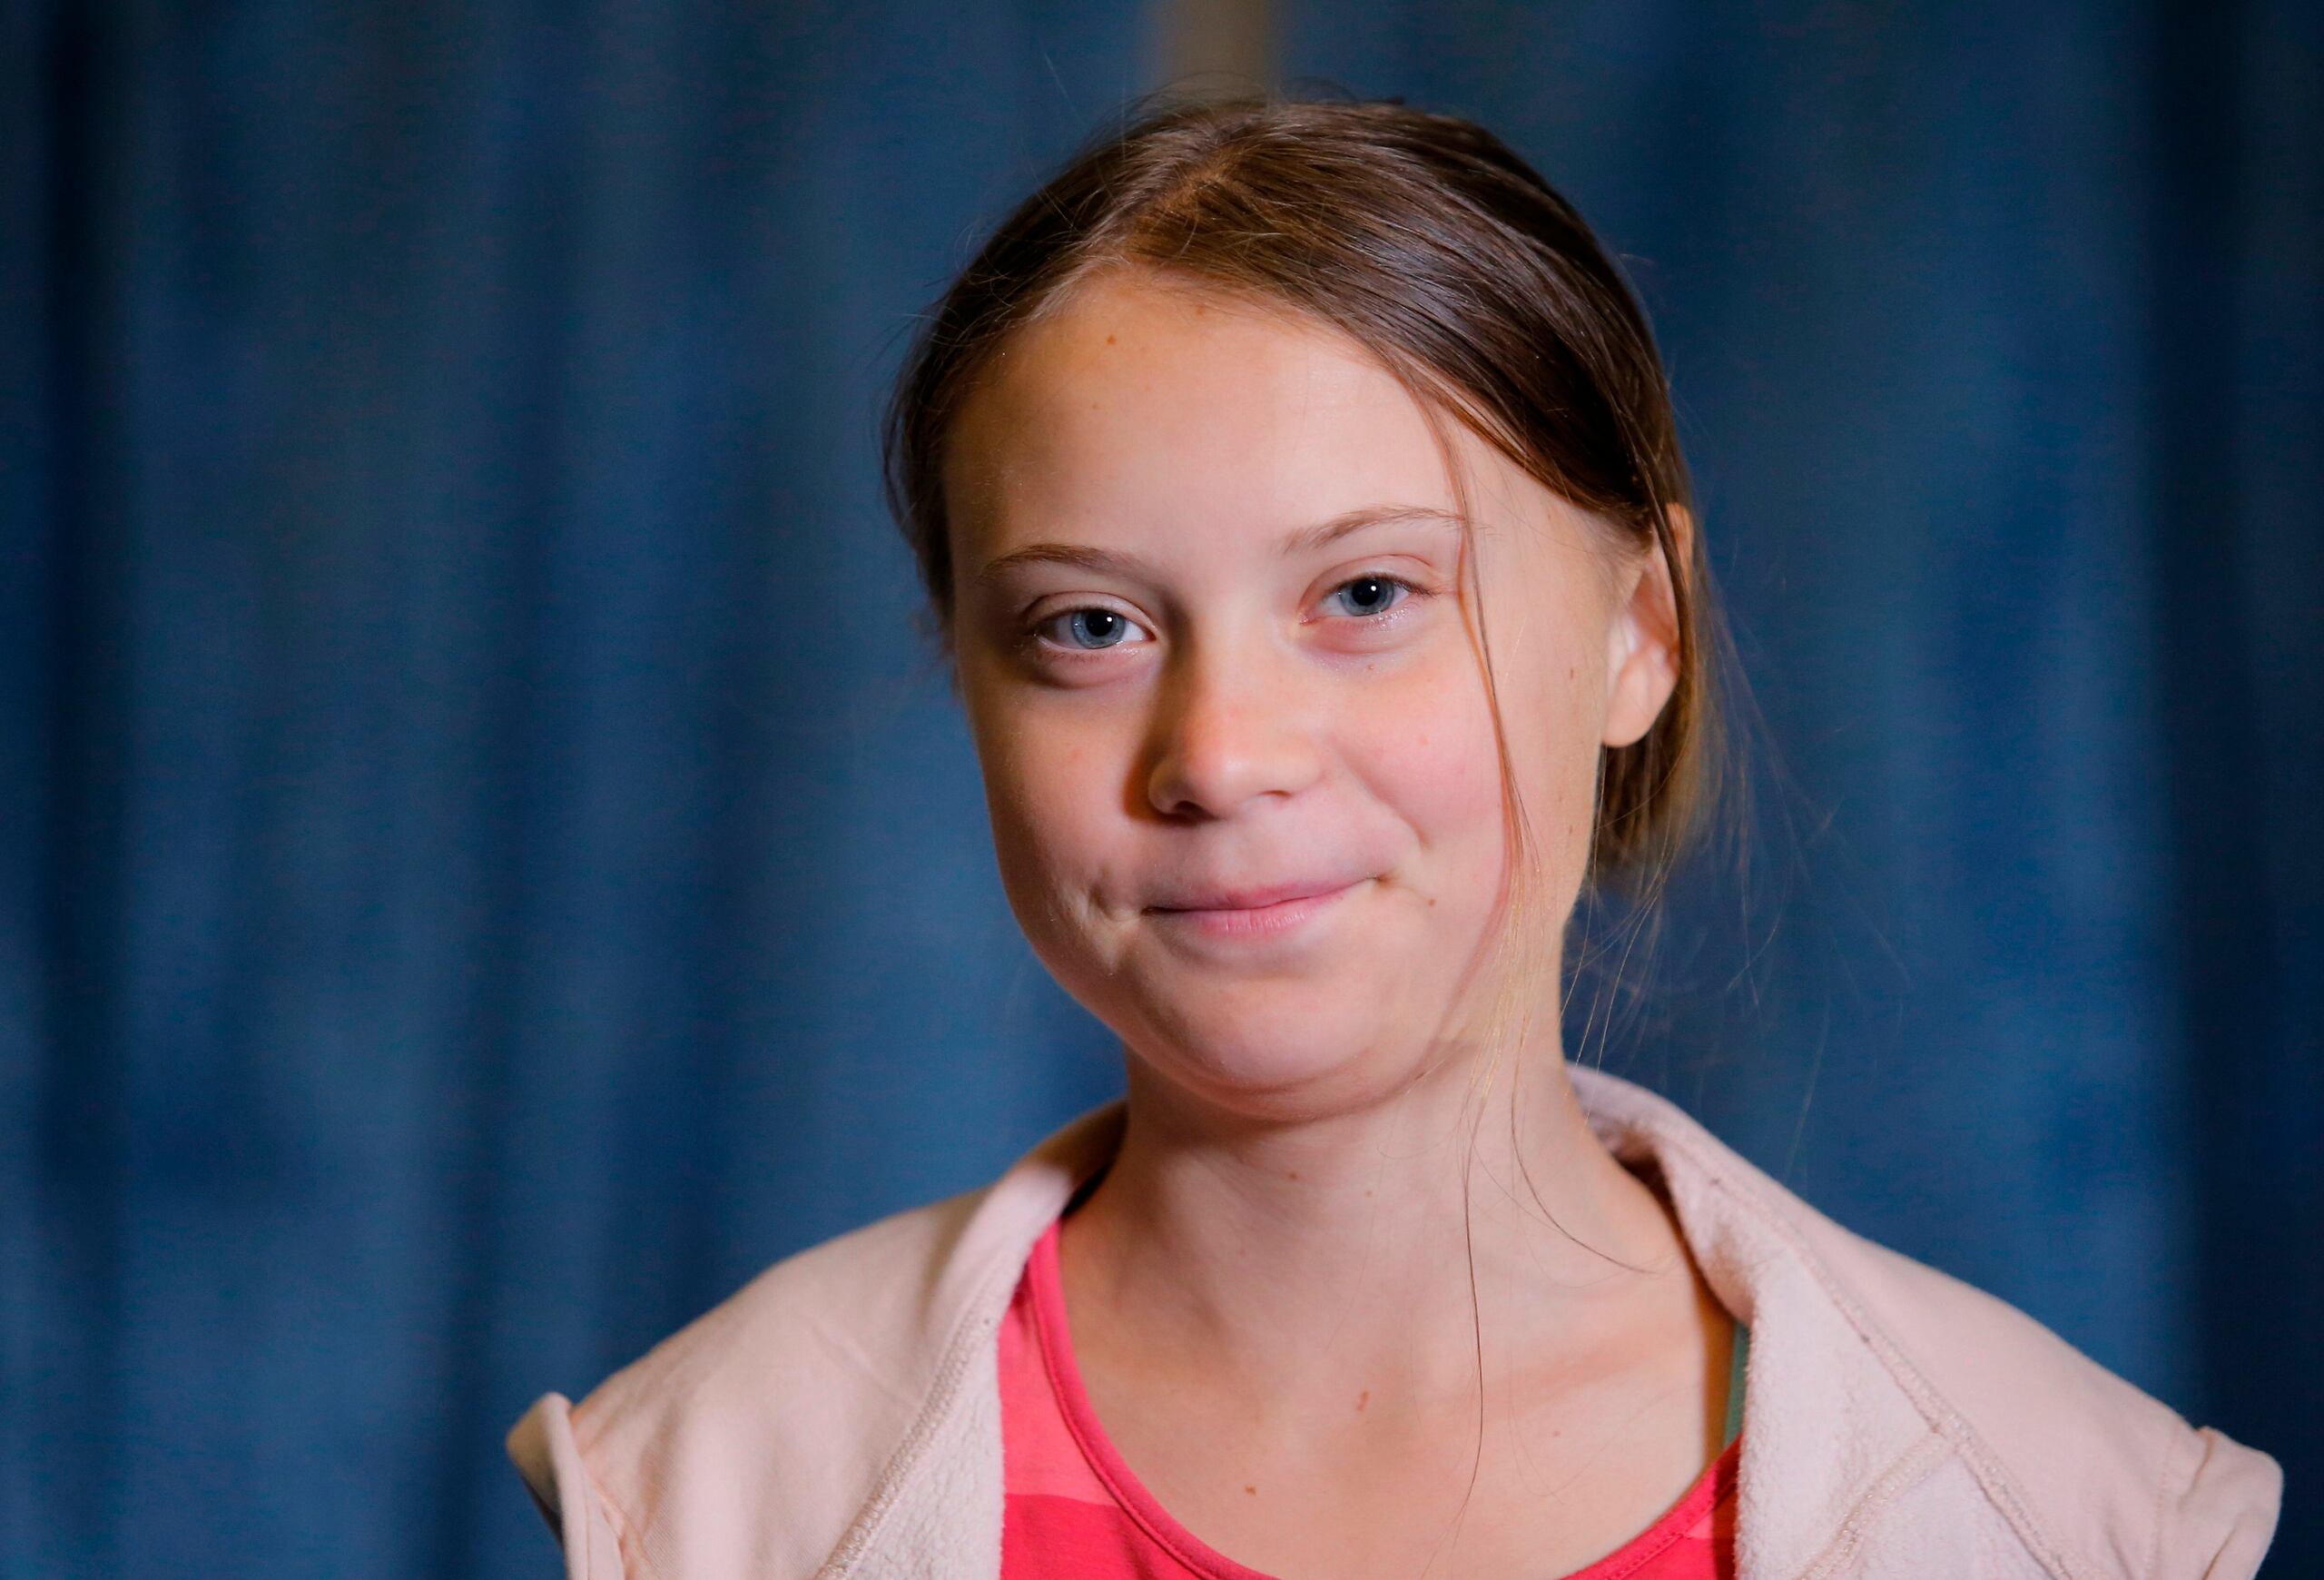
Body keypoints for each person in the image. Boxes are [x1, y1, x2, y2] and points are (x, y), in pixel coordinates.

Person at [504, 94, 2281, 1580]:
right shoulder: (706, 1496)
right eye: (1088, 627)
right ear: (965, 675)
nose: (1216, 755)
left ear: (1634, 635)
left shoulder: (2067, 1516)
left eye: (1364, 592)